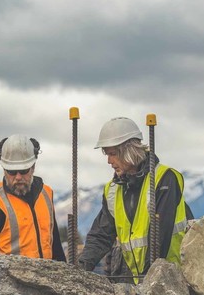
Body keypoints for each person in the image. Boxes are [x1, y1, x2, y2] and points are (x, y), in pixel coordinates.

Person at [78, 117, 193, 283]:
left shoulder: (164, 179)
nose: (109, 161)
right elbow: (101, 235)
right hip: (142, 281)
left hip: (174, 280)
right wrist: (79, 269)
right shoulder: (113, 190)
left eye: (112, 154)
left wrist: (147, 284)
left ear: (129, 151)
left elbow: (160, 238)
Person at [0, 134, 66, 261]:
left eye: (23, 170)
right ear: (4, 169)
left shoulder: (46, 194)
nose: (18, 177)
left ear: (33, 167)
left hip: (45, 277)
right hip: (10, 279)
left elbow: (55, 244)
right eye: (12, 172)